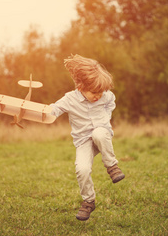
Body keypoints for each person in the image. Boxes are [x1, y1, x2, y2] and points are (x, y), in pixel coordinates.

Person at [50, 54, 125, 221]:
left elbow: (110, 101)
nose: (98, 96)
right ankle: (89, 201)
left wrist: (106, 118)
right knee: (81, 169)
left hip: (101, 134)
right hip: (83, 141)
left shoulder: (105, 95)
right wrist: (37, 112)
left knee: (98, 133)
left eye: (101, 92)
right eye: (94, 92)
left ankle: (112, 166)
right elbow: (54, 109)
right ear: (81, 85)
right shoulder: (70, 99)